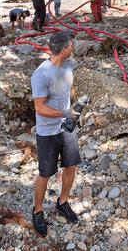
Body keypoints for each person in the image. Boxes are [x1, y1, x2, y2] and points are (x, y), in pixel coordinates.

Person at [30, 31, 81, 237]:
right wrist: (65, 113)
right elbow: (40, 108)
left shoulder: (69, 65)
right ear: (66, 47)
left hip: (67, 127)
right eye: (72, 44)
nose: (74, 47)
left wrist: (75, 106)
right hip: (47, 131)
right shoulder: (41, 75)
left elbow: (69, 87)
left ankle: (63, 202)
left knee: (71, 166)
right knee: (45, 173)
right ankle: (38, 210)